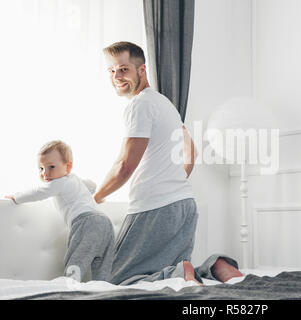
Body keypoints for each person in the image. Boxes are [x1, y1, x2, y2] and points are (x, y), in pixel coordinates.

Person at [96, 41, 243, 285]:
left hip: (155, 207)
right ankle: (214, 266)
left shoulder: (140, 104)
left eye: (123, 69)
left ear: (141, 70)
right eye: (111, 71)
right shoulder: (164, 103)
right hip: (184, 204)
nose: (116, 76)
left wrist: (97, 197)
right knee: (171, 275)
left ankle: (180, 273)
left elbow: (125, 165)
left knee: (118, 279)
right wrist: (173, 182)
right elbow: (191, 152)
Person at [5, 140, 115, 282]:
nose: (45, 173)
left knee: (77, 257)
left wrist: (16, 197)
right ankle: (103, 287)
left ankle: (70, 285)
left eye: (51, 167)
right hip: (105, 222)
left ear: (68, 167)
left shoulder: (59, 182)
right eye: (41, 168)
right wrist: (92, 195)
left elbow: (38, 192)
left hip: (86, 221)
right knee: (103, 263)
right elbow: (92, 184)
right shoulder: (74, 179)